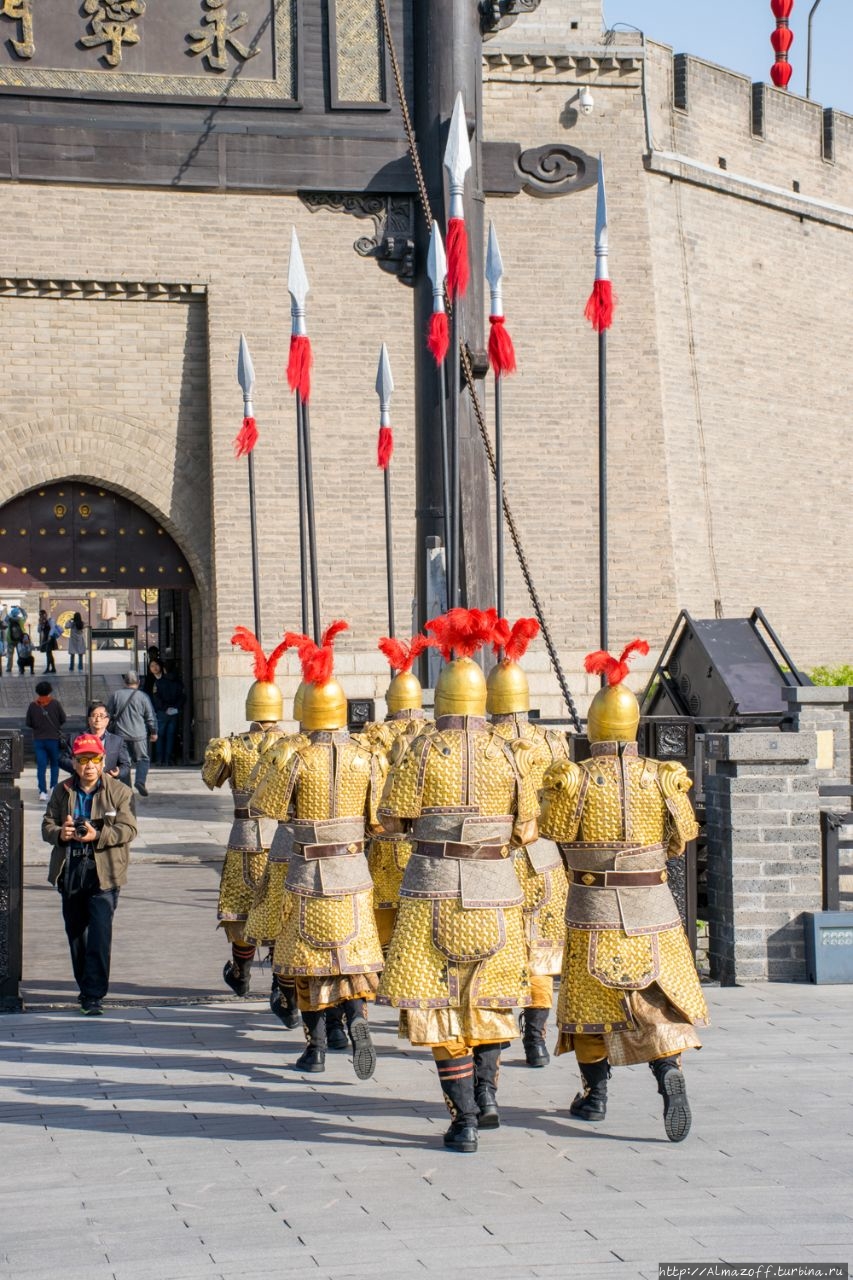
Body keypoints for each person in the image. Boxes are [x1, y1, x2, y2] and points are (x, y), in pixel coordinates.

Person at [378, 608, 537, 1155]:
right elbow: (528, 827)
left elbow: (393, 818)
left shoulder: (419, 749)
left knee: (436, 1002)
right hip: (496, 885)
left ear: (441, 695)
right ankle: (489, 1094)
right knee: (491, 996)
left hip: (433, 885)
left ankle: (464, 1118)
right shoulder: (508, 752)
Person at [539, 640, 709, 1144]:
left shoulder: (577, 777)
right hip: (652, 905)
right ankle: (667, 1072)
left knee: (591, 1006)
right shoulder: (662, 778)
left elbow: (556, 832)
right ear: (634, 725)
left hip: (593, 904)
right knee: (655, 1000)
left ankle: (595, 1096)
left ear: (595, 726)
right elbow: (682, 840)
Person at [270, 623, 386, 1079]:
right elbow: (381, 819)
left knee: (307, 960)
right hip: (353, 868)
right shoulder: (366, 756)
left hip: (307, 869)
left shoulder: (296, 756)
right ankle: (356, 1017)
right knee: (352, 957)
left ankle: (315, 1047)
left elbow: (269, 807)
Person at [486, 616, 570, 1068]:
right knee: (542, 953)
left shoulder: (481, 745)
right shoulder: (552, 743)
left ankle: (494, 1041)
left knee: (495, 950)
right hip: (544, 861)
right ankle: (536, 1038)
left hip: (493, 862)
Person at [202, 628, 288, 999]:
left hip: (245, 836)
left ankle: (241, 968)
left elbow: (210, 778)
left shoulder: (232, 745)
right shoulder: (292, 746)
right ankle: (281, 982)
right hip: (283, 839)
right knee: (280, 909)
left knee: (240, 908)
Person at [42, 733, 137, 1015]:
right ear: (74, 762)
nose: (89, 766)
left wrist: (98, 834)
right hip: (71, 868)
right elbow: (47, 825)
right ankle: (86, 985)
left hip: (104, 872)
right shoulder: (62, 791)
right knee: (76, 934)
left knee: (99, 934)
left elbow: (129, 829)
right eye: (83, 760)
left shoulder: (119, 791)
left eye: (94, 760)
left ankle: (93, 994)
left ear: (103, 760)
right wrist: (61, 832)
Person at [107, 671, 157, 797]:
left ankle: (126, 788)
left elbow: (108, 715)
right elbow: (150, 717)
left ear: (124, 682)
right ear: (139, 682)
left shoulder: (116, 695)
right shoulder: (143, 697)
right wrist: (154, 732)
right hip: (139, 735)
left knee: (125, 763)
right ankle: (140, 781)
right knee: (143, 759)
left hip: (120, 735)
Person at [59, 701, 132, 785]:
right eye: (94, 715)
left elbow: (125, 765)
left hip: (107, 784)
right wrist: (79, 767)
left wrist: (118, 773)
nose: (97, 719)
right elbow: (63, 760)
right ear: (89, 720)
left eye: (101, 716)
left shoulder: (117, 741)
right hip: (81, 784)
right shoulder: (76, 738)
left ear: (107, 720)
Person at [25, 680, 67, 801]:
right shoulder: (55, 703)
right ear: (50, 691)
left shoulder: (33, 705)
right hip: (53, 739)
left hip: (39, 740)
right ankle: (53, 787)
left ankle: (42, 792)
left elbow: (28, 723)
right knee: (54, 764)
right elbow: (63, 719)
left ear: (37, 691)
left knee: (41, 766)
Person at [153, 661, 185, 766]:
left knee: (160, 736)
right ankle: (168, 759)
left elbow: (156, 698)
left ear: (164, 669)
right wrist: (176, 707)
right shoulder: (179, 682)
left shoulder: (158, 682)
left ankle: (159, 759)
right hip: (174, 712)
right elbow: (183, 697)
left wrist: (165, 708)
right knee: (171, 736)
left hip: (163, 712)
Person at [37, 609, 59, 675]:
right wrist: (40, 624)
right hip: (45, 637)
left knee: (48, 653)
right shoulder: (41, 622)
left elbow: (52, 628)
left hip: (50, 638)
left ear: (45, 614)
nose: (41, 616)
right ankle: (53, 668)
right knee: (49, 654)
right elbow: (39, 631)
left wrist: (50, 636)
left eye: (42, 614)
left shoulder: (50, 620)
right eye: (40, 615)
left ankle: (48, 668)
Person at [7, 606, 27, 674]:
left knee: (10, 655)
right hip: (19, 640)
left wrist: (10, 612)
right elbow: (25, 615)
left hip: (10, 639)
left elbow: (5, 619)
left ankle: (9, 668)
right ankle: (21, 668)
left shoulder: (9, 620)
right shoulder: (21, 620)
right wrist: (21, 608)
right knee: (20, 654)